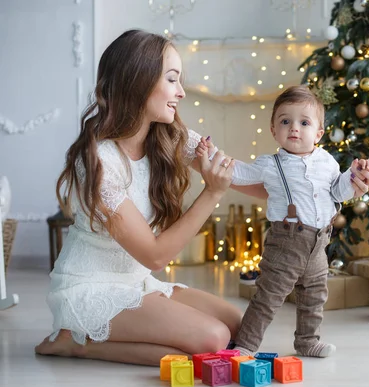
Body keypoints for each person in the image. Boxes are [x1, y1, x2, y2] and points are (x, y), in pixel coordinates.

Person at [34, 29, 269, 366]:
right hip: (89, 289)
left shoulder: (169, 135)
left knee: (238, 326)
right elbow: (155, 256)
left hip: (135, 282)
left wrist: (326, 188)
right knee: (214, 338)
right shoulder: (100, 161)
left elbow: (236, 174)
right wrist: (212, 193)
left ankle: (89, 338)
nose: (182, 92)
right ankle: (76, 341)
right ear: (139, 82)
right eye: (172, 80)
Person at [197, 85, 369, 358]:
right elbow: (239, 173)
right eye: (285, 121)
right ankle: (245, 344)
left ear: (318, 133)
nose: (294, 128)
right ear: (273, 130)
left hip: (319, 243)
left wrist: (353, 176)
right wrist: (211, 156)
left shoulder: (327, 162)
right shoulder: (270, 164)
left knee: (314, 297)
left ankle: (307, 342)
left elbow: (339, 193)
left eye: (304, 122)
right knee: (268, 297)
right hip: (286, 242)